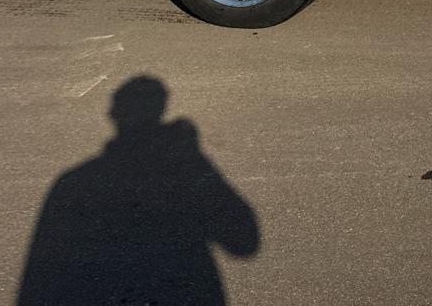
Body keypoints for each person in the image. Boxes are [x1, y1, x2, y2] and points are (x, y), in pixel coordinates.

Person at [17, 76, 259, 306]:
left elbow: (37, 276)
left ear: (113, 115)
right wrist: (194, 160)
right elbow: (243, 242)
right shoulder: (185, 167)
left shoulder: (72, 182)